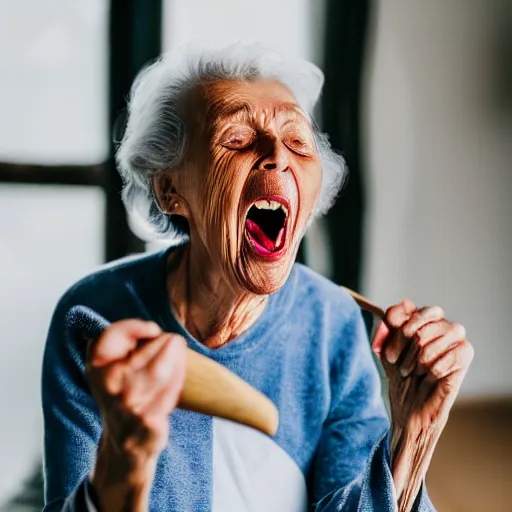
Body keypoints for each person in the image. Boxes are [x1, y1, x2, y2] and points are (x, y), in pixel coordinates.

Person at [41, 43, 473, 512]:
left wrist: (412, 436)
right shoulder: (93, 317)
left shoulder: (333, 324)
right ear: (170, 189)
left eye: (297, 141)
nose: (278, 156)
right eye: (237, 139)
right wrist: (123, 462)